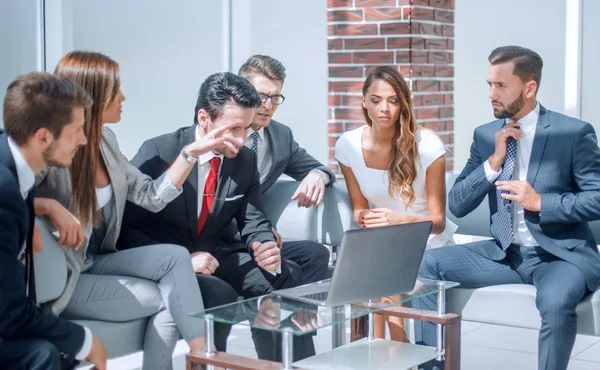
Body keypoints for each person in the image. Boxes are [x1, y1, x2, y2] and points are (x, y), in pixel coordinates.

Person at [34, 51, 232, 370]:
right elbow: (10, 192)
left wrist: (192, 152)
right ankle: (207, 359)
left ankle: (204, 358)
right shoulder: (52, 144)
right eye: (116, 90)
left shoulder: (106, 140)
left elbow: (151, 194)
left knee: (175, 257)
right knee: (172, 298)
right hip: (68, 276)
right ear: (92, 96)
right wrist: (47, 205)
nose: (124, 97)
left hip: (97, 259)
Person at [415, 45, 600, 370]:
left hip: (559, 256)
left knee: (555, 304)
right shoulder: (486, 135)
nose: (492, 93)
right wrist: (492, 163)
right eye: (490, 84)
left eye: (501, 85)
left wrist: (541, 202)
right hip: (504, 254)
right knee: (426, 263)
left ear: (529, 88)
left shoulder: (572, 133)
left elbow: (596, 198)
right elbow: (456, 204)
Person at [118, 72, 314, 361]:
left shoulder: (244, 158)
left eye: (247, 129)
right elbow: (125, 228)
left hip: (213, 255)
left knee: (284, 274)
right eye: (233, 129)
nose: (241, 139)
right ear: (203, 118)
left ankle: (280, 366)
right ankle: (211, 364)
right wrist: (183, 260)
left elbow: (253, 218)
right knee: (219, 294)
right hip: (165, 260)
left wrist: (263, 245)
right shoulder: (159, 152)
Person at [335, 65, 456, 342]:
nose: (384, 109)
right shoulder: (347, 145)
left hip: (426, 240)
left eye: (393, 100)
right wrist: (367, 217)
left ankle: (394, 349)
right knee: (374, 262)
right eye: (376, 100)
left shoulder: (427, 145)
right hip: (381, 237)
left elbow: (438, 222)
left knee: (382, 270)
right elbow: (358, 208)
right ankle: (379, 352)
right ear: (363, 102)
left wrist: (399, 220)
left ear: (403, 103)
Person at [0, 72, 107, 370]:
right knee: (41, 353)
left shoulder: (14, 158)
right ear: (43, 136)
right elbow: (9, 313)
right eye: (76, 130)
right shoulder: (5, 194)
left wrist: (31, 211)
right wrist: (84, 340)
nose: (84, 140)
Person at [234, 54, 332, 284]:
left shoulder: (281, 137)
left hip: (261, 238)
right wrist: (263, 234)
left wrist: (317, 175)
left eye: (275, 98)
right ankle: (270, 315)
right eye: (261, 96)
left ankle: (299, 319)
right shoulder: (222, 133)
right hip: (223, 238)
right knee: (281, 271)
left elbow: (319, 167)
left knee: (316, 254)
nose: (268, 106)